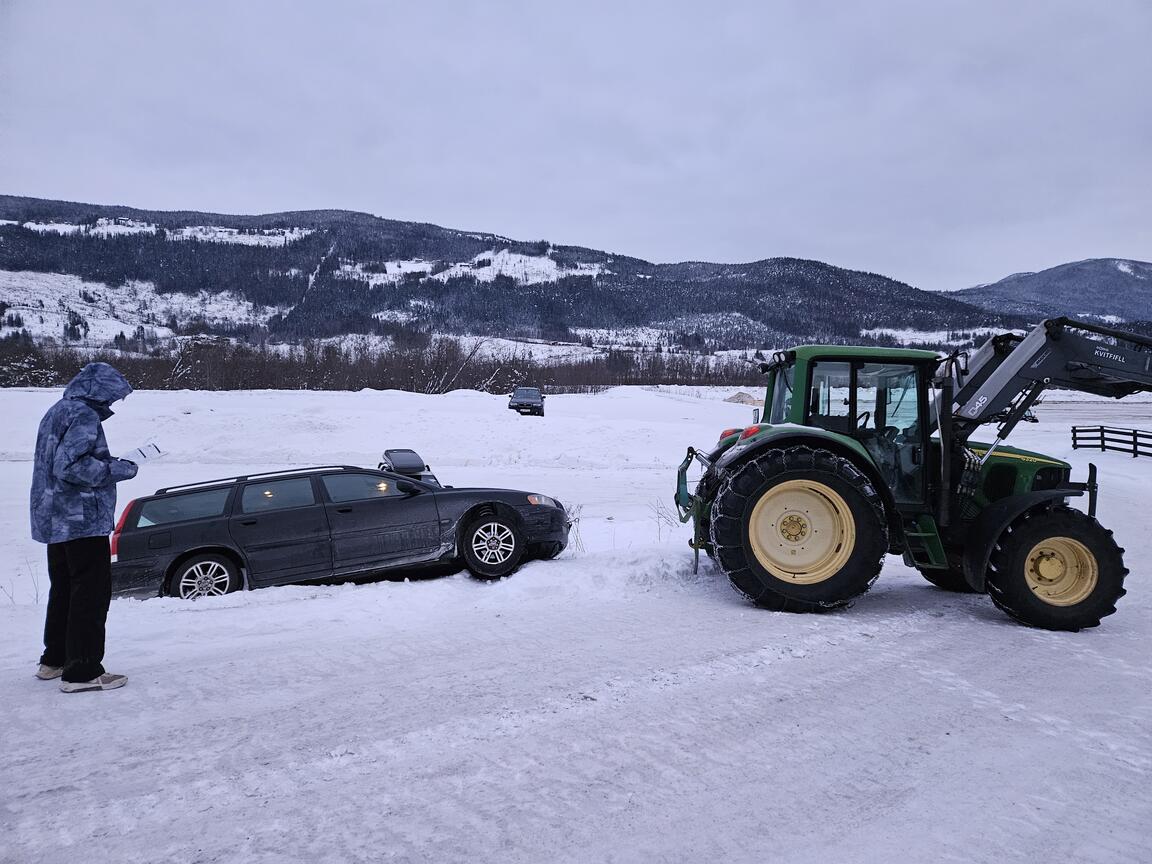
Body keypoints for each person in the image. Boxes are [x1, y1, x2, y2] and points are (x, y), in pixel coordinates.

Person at [30, 362, 139, 693]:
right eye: (112, 397)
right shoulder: (83, 415)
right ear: (100, 391)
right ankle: (82, 671)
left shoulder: (58, 410)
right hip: (81, 519)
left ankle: (55, 660)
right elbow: (73, 466)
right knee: (90, 594)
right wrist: (119, 468)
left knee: (64, 589)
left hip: (55, 518)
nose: (113, 404)